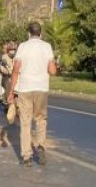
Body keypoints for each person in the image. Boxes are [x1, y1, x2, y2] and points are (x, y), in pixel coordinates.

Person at [7, 22, 58, 167]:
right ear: (40, 34)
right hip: (41, 88)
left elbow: (16, 70)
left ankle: (26, 156)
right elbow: (53, 71)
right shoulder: (47, 47)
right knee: (41, 119)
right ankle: (41, 146)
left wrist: (11, 91)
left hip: (25, 89)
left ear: (28, 33)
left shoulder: (22, 47)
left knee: (25, 122)